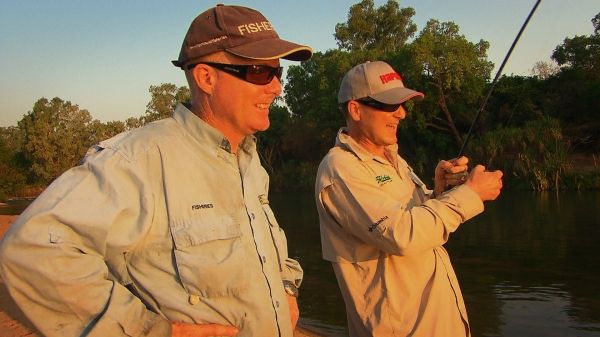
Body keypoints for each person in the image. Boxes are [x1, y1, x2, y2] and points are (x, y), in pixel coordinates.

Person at [0, 4, 312, 337]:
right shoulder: (137, 160)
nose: (276, 88)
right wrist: (150, 330)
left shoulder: (250, 162)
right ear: (206, 77)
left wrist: (287, 290)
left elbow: (266, 251)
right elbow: (33, 252)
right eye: (259, 73)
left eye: (278, 73)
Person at [314, 61, 503, 337]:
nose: (401, 113)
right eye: (390, 105)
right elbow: (402, 234)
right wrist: (470, 194)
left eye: (402, 105)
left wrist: (438, 192)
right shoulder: (340, 170)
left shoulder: (392, 157)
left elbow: (408, 216)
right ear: (355, 109)